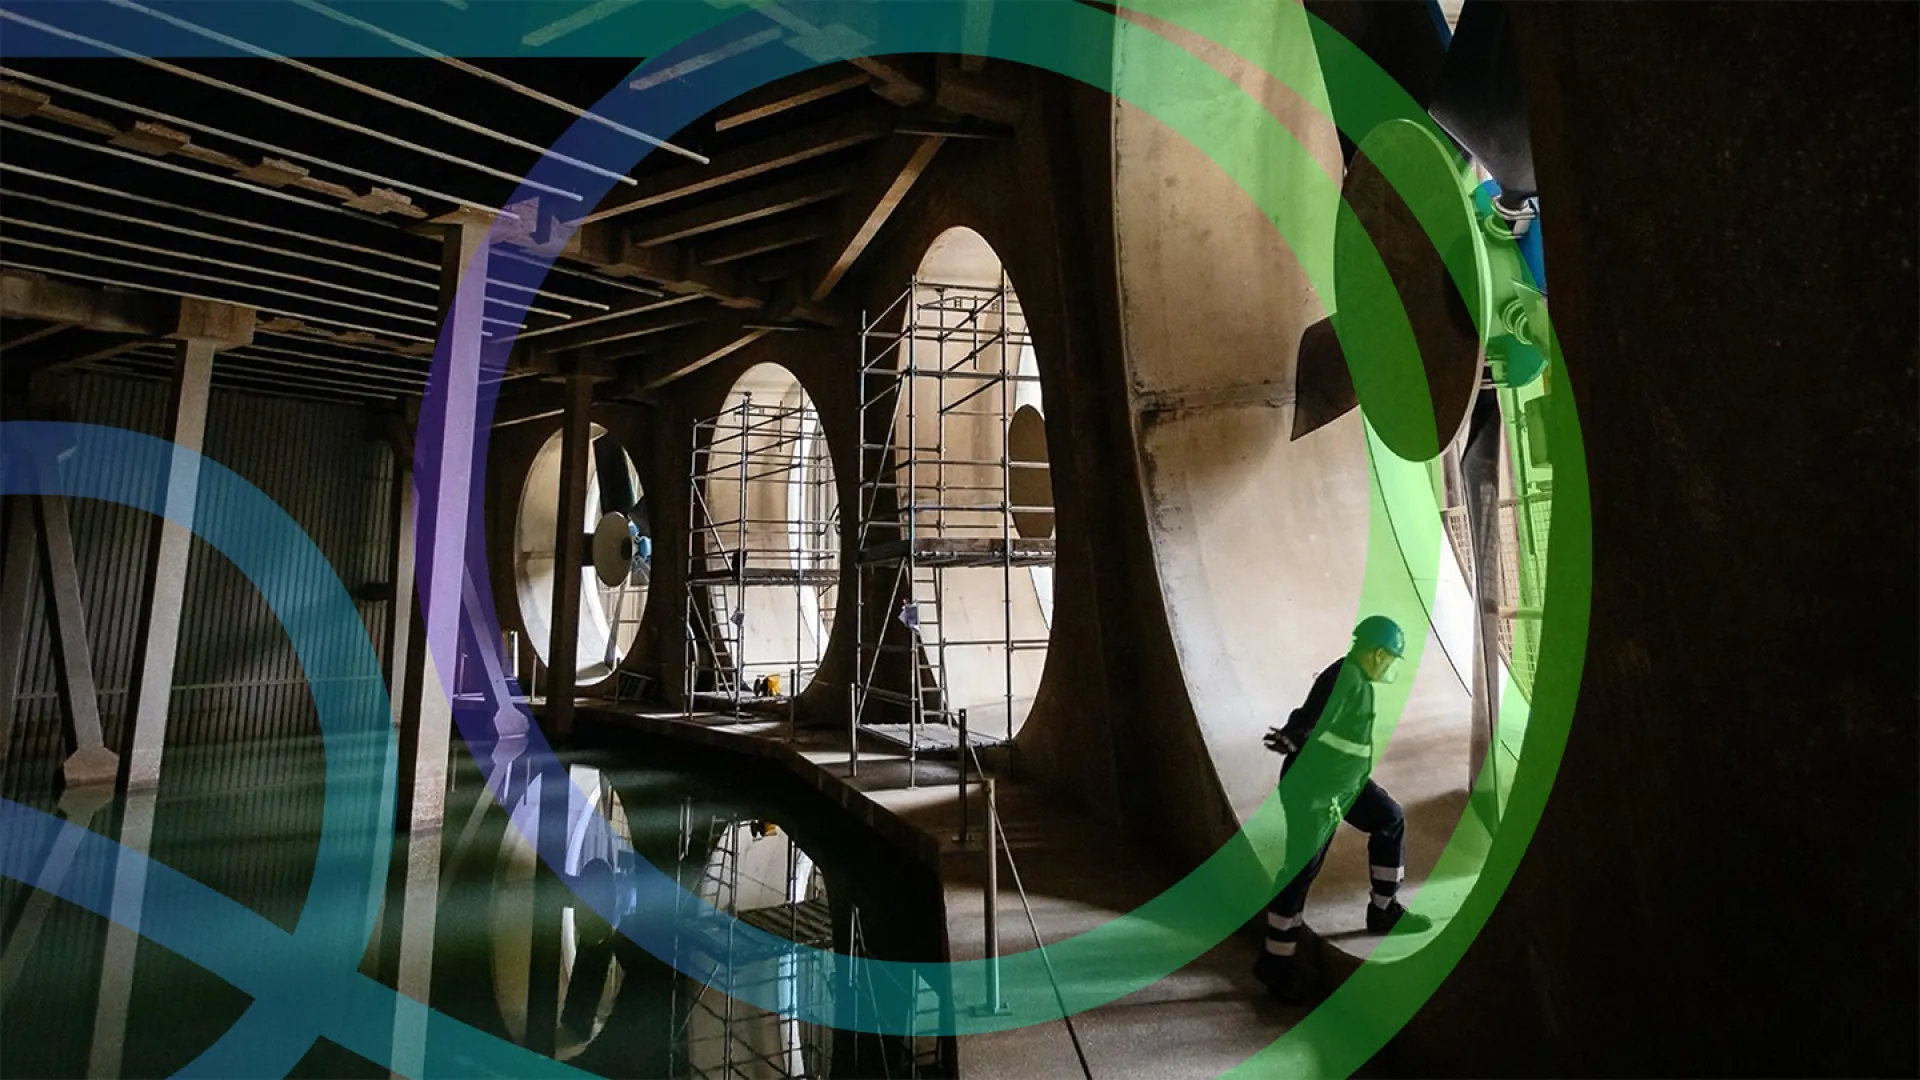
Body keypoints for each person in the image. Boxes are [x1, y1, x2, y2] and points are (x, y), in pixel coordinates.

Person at [1252, 615, 1434, 1003]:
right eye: (1394, 659)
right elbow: (1312, 717)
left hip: (1344, 785)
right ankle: (1275, 966)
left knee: (1389, 818)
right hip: (1314, 791)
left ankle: (1383, 911)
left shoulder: (1357, 679)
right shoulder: (1344, 678)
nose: (1394, 667)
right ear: (1381, 654)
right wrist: (1292, 736)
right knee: (1299, 871)